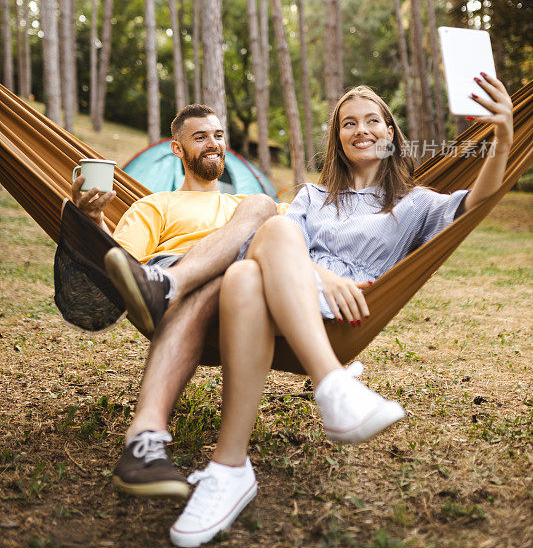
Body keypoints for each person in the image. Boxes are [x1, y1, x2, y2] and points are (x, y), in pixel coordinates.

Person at [170, 73, 514, 548]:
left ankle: (233, 463)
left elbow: (477, 204)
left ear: (390, 133)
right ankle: (321, 394)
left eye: (373, 121)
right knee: (258, 251)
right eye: (348, 123)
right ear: (338, 138)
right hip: (291, 294)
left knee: (252, 268)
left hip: (342, 314)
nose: (362, 130)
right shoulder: (312, 195)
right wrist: (321, 275)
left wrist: (502, 139)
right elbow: (259, 244)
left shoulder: (414, 203)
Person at [72, 103, 280, 497]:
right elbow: (120, 265)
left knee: (265, 207)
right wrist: (93, 220)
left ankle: (144, 437)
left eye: (218, 136)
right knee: (233, 252)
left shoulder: (247, 206)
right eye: (199, 137)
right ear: (177, 149)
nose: (213, 143)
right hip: (169, 274)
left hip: (243, 289)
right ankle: (170, 282)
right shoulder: (155, 205)